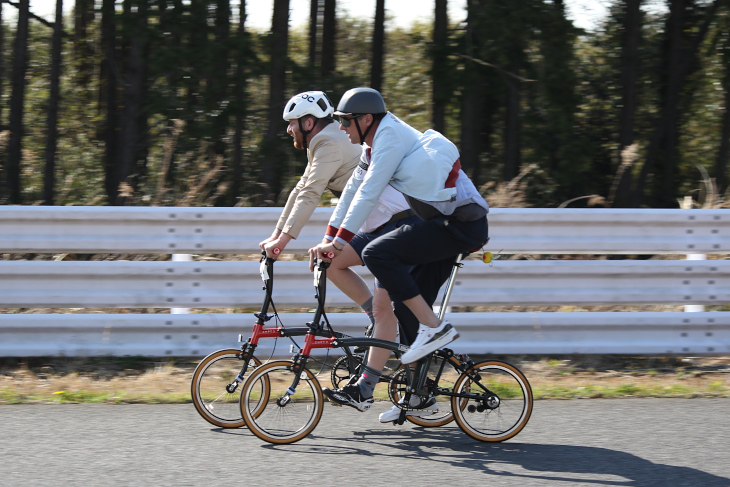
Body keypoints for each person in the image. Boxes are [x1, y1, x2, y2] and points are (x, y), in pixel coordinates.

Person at [310, 87, 489, 422]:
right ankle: (420, 396)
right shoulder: (372, 143)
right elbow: (351, 191)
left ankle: (434, 328)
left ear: (366, 119)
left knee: (379, 254)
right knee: (403, 311)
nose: (342, 128)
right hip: (441, 225)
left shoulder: (389, 137)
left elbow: (368, 193)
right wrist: (328, 237)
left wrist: (338, 244)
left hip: (460, 225)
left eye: (346, 122)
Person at [260, 90, 419, 333]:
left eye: (292, 123)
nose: (288, 130)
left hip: (392, 223)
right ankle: (379, 323)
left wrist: (282, 242)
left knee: (384, 306)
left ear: (308, 122)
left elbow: (311, 194)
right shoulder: (323, 140)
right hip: (376, 222)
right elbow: (301, 188)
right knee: (329, 263)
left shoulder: (329, 143)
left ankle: (391, 332)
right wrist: (276, 237)